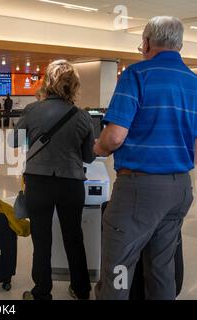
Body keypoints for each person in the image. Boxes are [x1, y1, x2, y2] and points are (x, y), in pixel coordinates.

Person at [94, 16, 197, 300]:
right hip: (180, 188)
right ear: (179, 45)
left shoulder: (137, 75)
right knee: (162, 268)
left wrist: (99, 148)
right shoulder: (194, 82)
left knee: (118, 268)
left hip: (139, 190)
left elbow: (114, 136)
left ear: (148, 42)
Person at [13, 60, 95, 300]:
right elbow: (89, 157)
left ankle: (41, 292)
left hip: (39, 183)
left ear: (47, 82)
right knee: (74, 236)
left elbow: (14, 142)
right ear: (74, 85)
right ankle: (81, 289)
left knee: (41, 238)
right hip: (71, 184)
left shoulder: (32, 110)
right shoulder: (81, 117)